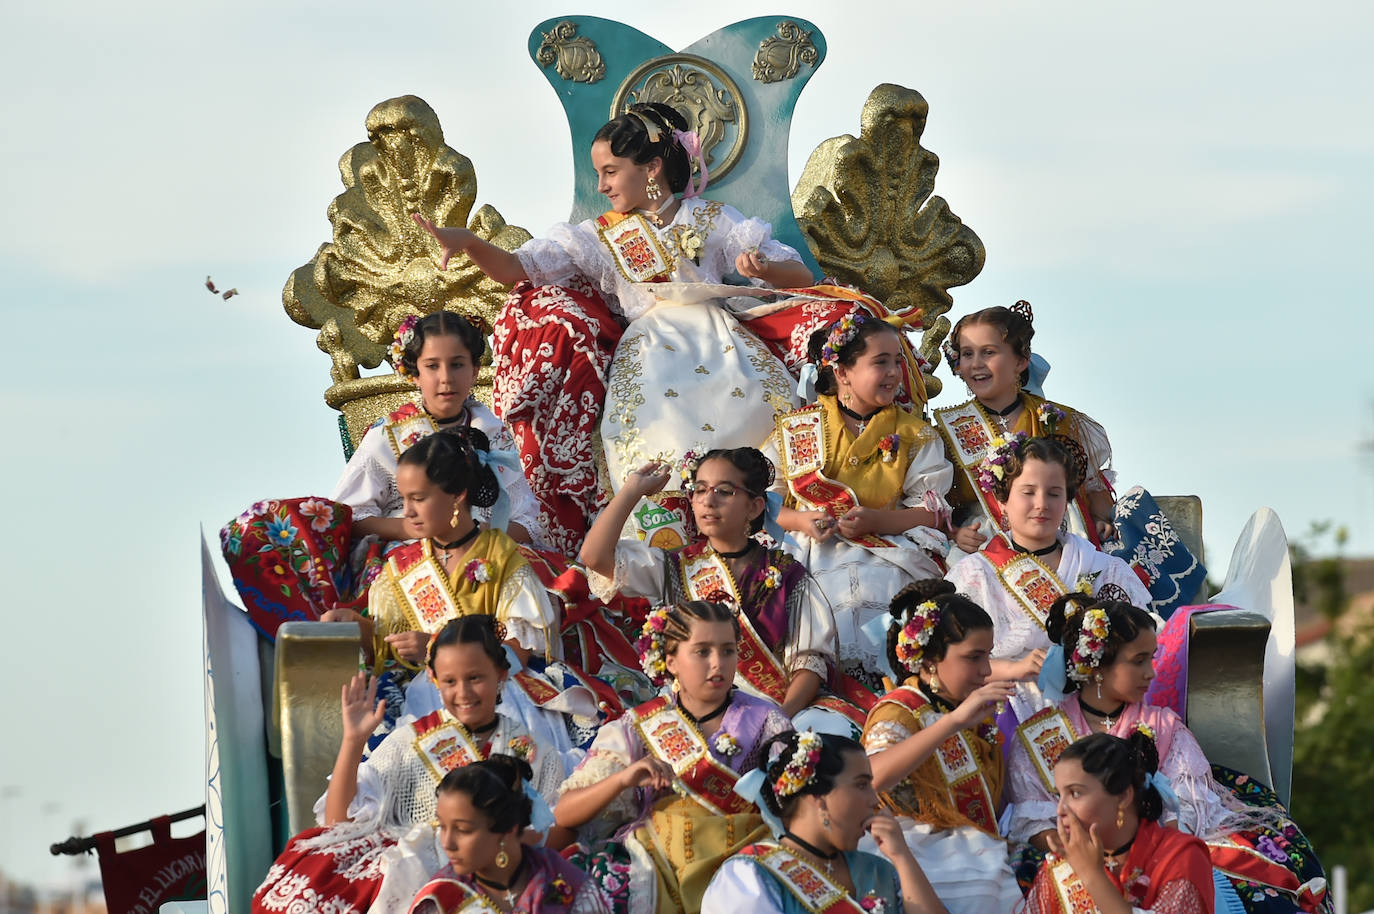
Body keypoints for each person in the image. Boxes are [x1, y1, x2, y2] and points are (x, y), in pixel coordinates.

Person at [413, 102, 906, 553]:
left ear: (651, 169)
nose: (602, 185)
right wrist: (470, 242)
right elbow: (519, 268)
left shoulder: (711, 218)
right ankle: (663, 549)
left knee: (755, 426)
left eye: (610, 171)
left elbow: (798, 275)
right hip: (649, 354)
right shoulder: (600, 236)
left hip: (725, 343)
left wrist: (760, 269)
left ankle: (762, 533)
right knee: (661, 441)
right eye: (599, 174)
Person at [220, 311, 545, 638]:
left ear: (475, 370)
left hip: (487, 553)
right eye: (432, 366)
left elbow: (527, 519)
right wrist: (416, 529)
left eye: (457, 364)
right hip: (409, 556)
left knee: (550, 591)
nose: (445, 378)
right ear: (414, 372)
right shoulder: (387, 436)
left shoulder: (494, 434)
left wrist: (479, 540)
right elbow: (352, 516)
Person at [1008, 595, 1331, 914]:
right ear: (1097, 664)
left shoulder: (1162, 726)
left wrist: (1143, 853)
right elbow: (1032, 817)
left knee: (1256, 891)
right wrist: (1083, 855)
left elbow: (1189, 803)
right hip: (1075, 852)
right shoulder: (1040, 736)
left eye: (1152, 657)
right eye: (1138, 661)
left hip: (1160, 848)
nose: (1151, 672)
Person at [253, 616, 562, 914]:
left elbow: (547, 837)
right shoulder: (410, 740)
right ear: (433, 679)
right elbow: (337, 822)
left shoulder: (536, 753)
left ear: (501, 673)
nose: (463, 693)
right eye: (450, 681)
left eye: (475, 678)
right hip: (394, 871)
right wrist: (353, 741)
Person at [580, 447, 859, 734]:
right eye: (700, 490)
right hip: (697, 718)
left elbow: (808, 667)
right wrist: (631, 491)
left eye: (725, 491)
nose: (708, 501)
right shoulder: (673, 568)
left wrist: (774, 721)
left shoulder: (789, 575)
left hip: (777, 712)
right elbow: (595, 556)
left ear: (754, 507)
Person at [554, 601, 793, 914]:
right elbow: (565, 813)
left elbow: (795, 804)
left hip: (743, 860)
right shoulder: (641, 724)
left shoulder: (766, 720)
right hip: (656, 864)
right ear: (671, 661)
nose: (717, 663)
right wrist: (624, 778)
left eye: (728, 651)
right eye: (702, 652)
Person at [770, 315, 954, 692]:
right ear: (843, 372)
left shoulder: (914, 433)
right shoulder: (799, 427)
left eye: (897, 361)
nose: (893, 373)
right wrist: (801, 521)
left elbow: (932, 513)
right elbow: (765, 502)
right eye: (880, 362)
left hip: (887, 548)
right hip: (808, 547)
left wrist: (877, 520)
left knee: (888, 590)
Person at [944, 435, 1150, 723]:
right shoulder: (975, 574)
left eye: (1054, 494)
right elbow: (948, 662)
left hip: (1098, 712)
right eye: (1028, 492)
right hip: (1007, 708)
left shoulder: (1105, 569)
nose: (1041, 504)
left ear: (1067, 501)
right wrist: (1015, 669)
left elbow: (1144, 650)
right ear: (1001, 501)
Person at [859, 580, 1022, 914]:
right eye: (973, 658)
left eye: (988, 656)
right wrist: (952, 724)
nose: (987, 670)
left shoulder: (967, 708)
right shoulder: (899, 710)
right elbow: (871, 777)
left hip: (974, 848)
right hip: (915, 850)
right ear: (931, 661)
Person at [933, 302, 1115, 557]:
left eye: (988, 353)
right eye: (967, 354)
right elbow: (937, 507)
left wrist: (1099, 518)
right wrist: (955, 534)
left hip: (1056, 535)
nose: (976, 364)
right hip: (983, 545)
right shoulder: (945, 432)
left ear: (1020, 361)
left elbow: (1092, 485)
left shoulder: (1059, 420)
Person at [704, 730, 947, 914]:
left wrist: (902, 857)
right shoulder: (752, 876)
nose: (874, 800)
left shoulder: (878, 870)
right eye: (861, 785)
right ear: (818, 796)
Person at [1022, 731, 1216, 914]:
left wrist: (1092, 876)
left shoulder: (1180, 858)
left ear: (1123, 796)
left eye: (1075, 793)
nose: (1060, 809)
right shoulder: (1063, 863)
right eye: (1059, 795)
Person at [409, 757, 610, 914]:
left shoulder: (563, 881)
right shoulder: (443, 899)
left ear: (508, 829)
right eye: (442, 827)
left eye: (463, 830)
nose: (447, 843)